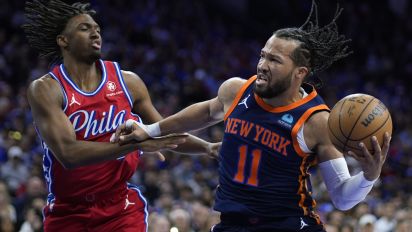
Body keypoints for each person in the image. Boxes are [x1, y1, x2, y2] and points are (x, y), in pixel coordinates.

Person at [112, 1, 391, 231]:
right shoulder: (236, 90)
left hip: (287, 224)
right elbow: (205, 112)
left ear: (300, 73)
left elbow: (342, 198)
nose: (262, 65)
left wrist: (368, 176)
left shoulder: (317, 121)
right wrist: (149, 130)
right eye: (263, 55)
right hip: (233, 223)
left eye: (274, 60)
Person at [22, 0, 217, 231]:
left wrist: (208, 148)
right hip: (67, 211)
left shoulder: (128, 82)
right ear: (63, 40)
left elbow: (164, 130)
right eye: (84, 28)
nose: (95, 33)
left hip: (120, 207)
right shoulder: (47, 89)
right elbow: (69, 154)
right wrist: (137, 144)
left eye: (97, 29)